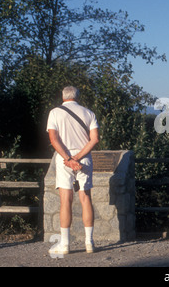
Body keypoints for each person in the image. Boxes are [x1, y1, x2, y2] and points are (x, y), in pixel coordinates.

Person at [46, 86, 99, 255]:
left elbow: (53, 140)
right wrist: (78, 157)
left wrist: (68, 159)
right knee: (85, 199)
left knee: (65, 201)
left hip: (64, 159)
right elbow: (95, 139)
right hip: (84, 159)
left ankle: (65, 244)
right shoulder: (89, 113)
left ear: (63, 97)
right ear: (77, 97)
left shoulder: (54, 112)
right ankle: (89, 243)